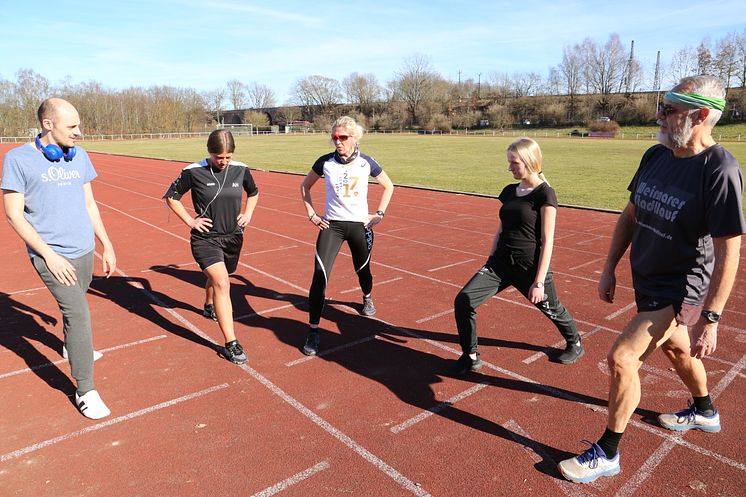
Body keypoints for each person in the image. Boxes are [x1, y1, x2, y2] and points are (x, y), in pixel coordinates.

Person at [559, 75, 745, 484]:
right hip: (646, 278)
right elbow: (631, 214)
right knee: (679, 353)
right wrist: (609, 266)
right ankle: (705, 411)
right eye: (662, 106)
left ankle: (608, 452)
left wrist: (711, 317)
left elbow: (730, 249)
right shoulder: (656, 155)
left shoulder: (720, 169)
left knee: (622, 359)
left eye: (669, 109)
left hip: (681, 289)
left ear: (698, 116)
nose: (659, 115)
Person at [2, 98, 117, 419]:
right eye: (72, 126)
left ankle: (72, 346)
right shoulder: (18, 159)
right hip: (51, 255)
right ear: (47, 125)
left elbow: (90, 204)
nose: (79, 132)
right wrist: (49, 256)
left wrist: (105, 244)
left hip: (83, 250)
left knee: (76, 306)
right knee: (79, 315)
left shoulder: (79, 156)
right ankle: (85, 389)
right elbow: (13, 215)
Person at [450, 137, 583, 375]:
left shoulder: (545, 194)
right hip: (499, 264)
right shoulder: (510, 191)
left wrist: (539, 282)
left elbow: (547, 241)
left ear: (530, 161)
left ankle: (575, 342)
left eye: (514, 163)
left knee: (552, 308)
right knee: (463, 301)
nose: (509, 167)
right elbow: (502, 227)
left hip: (529, 268)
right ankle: (470, 355)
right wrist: (491, 256)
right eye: (509, 162)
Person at [299, 116, 394, 356]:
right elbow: (304, 186)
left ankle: (367, 296)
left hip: (359, 226)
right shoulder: (325, 162)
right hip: (332, 226)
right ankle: (313, 330)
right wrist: (311, 213)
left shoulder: (366, 163)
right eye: (335, 137)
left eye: (343, 137)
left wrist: (380, 213)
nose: (338, 142)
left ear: (354, 138)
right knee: (320, 275)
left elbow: (389, 186)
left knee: (363, 271)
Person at [164, 129, 259, 365]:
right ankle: (231, 343)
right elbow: (171, 196)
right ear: (210, 152)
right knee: (222, 282)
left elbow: (254, 192)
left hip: (233, 236)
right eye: (219, 157)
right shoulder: (193, 171)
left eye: (228, 157)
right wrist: (190, 220)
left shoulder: (240, 169)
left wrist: (248, 213)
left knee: (220, 277)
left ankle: (208, 304)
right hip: (205, 238)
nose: (224, 162)